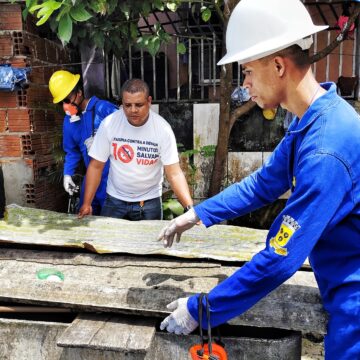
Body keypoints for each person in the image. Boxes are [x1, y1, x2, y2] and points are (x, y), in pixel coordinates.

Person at [158, 0, 360, 359]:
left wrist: (202, 309)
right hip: (341, 286)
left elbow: (281, 257)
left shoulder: (326, 149)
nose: (245, 85)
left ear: (279, 65)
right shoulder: (310, 121)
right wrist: (198, 214)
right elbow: (264, 183)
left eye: (248, 71)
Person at [78, 78, 193, 220]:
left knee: (150, 242)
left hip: (149, 203)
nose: (133, 110)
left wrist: (189, 208)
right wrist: (87, 203)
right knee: (109, 242)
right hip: (114, 201)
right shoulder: (109, 124)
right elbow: (96, 166)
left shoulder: (163, 129)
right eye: (127, 105)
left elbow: (174, 173)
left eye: (139, 105)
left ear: (149, 101)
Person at [49, 70, 118, 215]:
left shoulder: (104, 109)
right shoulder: (69, 122)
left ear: (79, 92)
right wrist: (67, 174)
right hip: (92, 179)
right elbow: (72, 152)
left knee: (111, 226)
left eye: (68, 100)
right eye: (62, 102)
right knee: (86, 222)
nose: (65, 106)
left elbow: (128, 136)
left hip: (114, 180)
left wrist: (105, 143)